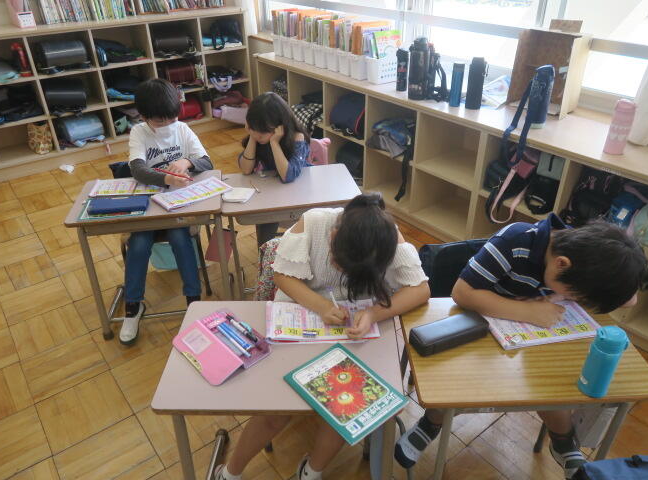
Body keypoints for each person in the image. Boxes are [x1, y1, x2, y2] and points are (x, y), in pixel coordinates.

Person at [394, 214, 647, 479]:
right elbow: (462, 293)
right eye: (572, 294)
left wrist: (623, 274)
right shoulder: (516, 241)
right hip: (481, 321)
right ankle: (431, 422)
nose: (571, 298)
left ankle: (563, 441)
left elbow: (630, 300)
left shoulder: (587, 254)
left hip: (531, 335)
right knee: (464, 381)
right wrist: (527, 312)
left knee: (550, 385)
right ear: (561, 264)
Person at [213, 193, 431, 480]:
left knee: (345, 406)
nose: (341, 273)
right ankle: (230, 474)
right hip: (300, 319)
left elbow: (420, 290)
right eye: (339, 263)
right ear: (333, 236)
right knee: (276, 409)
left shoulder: (386, 238)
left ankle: (311, 471)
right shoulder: (314, 222)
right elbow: (282, 276)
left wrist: (373, 314)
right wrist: (322, 306)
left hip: (352, 335)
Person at [120, 78, 214, 345]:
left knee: (180, 240)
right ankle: (133, 306)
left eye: (171, 118)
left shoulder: (182, 129)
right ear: (144, 116)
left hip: (176, 206)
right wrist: (166, 178)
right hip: (149, 206)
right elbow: (137, 169)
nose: (167, 125)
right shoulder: (139, 132)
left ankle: (193, 300)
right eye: (160, 121)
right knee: (138, 246)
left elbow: (206, 162)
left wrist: (186, 162)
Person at [238, 92, 312, 247]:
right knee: (265, 220)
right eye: (254, 128)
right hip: (271, 196)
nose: (258, 135)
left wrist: (274, 143)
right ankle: (265, 255)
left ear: (280, 126)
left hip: (299, 197)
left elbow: (288, 176)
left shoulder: (297, 137)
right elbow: (246, 169)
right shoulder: (257, 137)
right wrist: (252, 136)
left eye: (263, 131)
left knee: (300, 236)